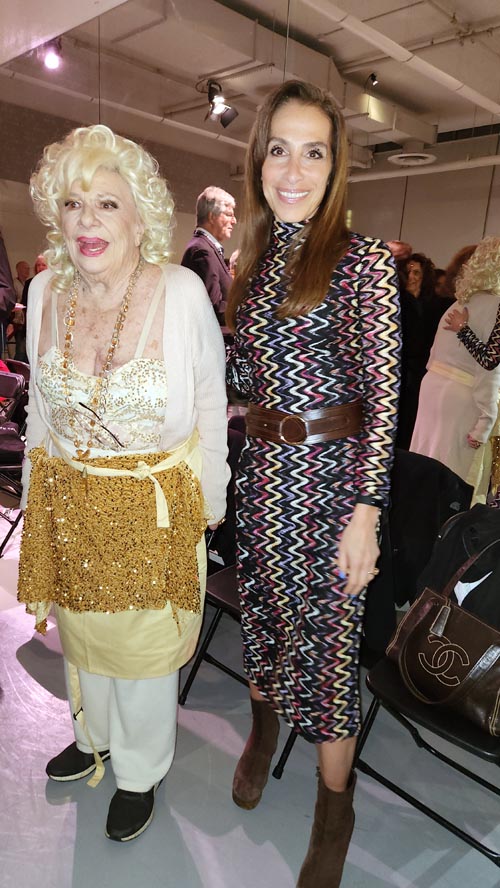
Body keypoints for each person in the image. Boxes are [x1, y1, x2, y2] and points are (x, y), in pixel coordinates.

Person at [17, 124, 229, 842]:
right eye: (73, 204)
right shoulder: (45, 291)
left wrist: (210, 503)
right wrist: (36, 497)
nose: (88, 222)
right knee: (82, 637)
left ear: (140, 215)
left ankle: (139, 771)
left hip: (153, 507)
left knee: (141, 654)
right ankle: (93, 737)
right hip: (70, 500)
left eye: (107, 204)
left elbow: (209, 407)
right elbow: (40, 414)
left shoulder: (179, 294)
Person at [226, 80, 401, 888]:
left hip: (334, 488)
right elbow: (241, 375)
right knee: (263, 621)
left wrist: (366, 514)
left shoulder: (362, 263)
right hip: (263, 480)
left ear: (336, 168)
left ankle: (337, 807)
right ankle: (263, 734)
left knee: (329, 659)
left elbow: (383, 397)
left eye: (315, 151)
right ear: (259, 156)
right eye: (279, 148)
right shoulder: (253, 265)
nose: (293, 169)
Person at [411, 237, 500, 503]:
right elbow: (491, 370)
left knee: (423, 465)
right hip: (465, 399)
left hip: (433, 390)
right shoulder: (496, 307)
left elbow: (432, 357)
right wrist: (486, 421)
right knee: (456, 480)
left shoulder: (460, 303)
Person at [396, 251, 441, 448]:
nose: (412, 277)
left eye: (417, 273)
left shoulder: (435, 305)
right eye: (409, 272)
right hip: (401, 371)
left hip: (424, 371)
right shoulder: (397, 302)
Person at [181, 185, 236, 323]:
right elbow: (214, 307)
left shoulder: (206, 248)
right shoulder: (202, 251)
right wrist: (249, 309)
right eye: (229, 215)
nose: (234, 221)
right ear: (212, 216)